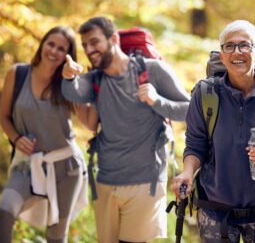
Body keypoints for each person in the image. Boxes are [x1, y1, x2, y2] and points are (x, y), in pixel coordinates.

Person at [61, 16, 190, 243]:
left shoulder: (153, 70)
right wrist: (69, 76)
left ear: (113, 39)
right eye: (85, 46)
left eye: (94, 42)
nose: (89, 50)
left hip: (145, 181)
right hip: (106, 180)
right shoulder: (96, 79)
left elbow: (190, 110)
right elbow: (73, 92)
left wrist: (157, 101)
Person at [172, 20, 255, 243]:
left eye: (244, 46)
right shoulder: (205, 95)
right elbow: (195, 145)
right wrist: (186, 172)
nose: (236, 52)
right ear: (221, 56)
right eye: (229, 46)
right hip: (215, 209)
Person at [0, 26, 94, 243]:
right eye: (51, 44)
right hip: (27, 165)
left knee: (56, 236)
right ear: (42, 44)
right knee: (5, 210)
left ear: (67, 56)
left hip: (67, 169)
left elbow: (89, 122)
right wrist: (17, 138)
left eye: (61, 49)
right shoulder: (17, 74)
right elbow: (3, 117)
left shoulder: (67, 83)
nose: (54, 51)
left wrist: (73, 82)